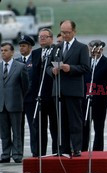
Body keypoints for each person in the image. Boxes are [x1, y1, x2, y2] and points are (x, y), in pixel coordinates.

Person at [47, 20, 90, 157]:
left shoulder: (81, 47)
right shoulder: (56, 47)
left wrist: (70, 68)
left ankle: (76, 147)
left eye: (67, 32)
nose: (64, 35)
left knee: (75, 121)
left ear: (74, 32)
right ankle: (63, 148)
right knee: (61, 121)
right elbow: (47, 67)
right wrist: (52, 71)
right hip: (58, 90)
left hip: (73, 90)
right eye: (62, 32)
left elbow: (85, 68)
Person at [82, 40, 107, 151]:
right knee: (84, 127)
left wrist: (105, 96)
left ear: (101, 49)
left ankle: (98, 152)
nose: (93, 51)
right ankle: (83, 151)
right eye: (91, 48)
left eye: (95, 48)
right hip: (85, 101)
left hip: (100, 102)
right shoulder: (85, 61)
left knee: (99, 128)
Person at [0, 42, 29, 163]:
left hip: (15, 104)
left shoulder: (20, 66)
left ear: (12, 52)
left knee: (17, 131)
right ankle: (5, 154)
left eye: (5, 50)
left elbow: (25, 86)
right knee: (4, 132)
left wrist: (19, 98)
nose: (3, 53)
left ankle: (17, 154)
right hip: (1, 105)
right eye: (1, 50)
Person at [31, 28, 58, 156]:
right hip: (39, 96)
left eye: (45, 36)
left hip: (53, 95)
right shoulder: (35, 53)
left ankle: (56, 152)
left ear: (51, 39)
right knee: (39, 127)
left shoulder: (56, 51)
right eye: (40, 36)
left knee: (54, 127)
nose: (41, 38)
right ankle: (39, 154)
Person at [15, 35, 36, 155]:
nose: (21, 48)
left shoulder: (35, 60)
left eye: (24, 46)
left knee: (33, 127)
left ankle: (35, 151)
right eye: (20, 46)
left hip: (31, 100)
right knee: (18, 128)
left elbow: (34, 81)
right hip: (18, 100)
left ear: (30, 47)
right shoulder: (16, 61)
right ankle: (18, 152)